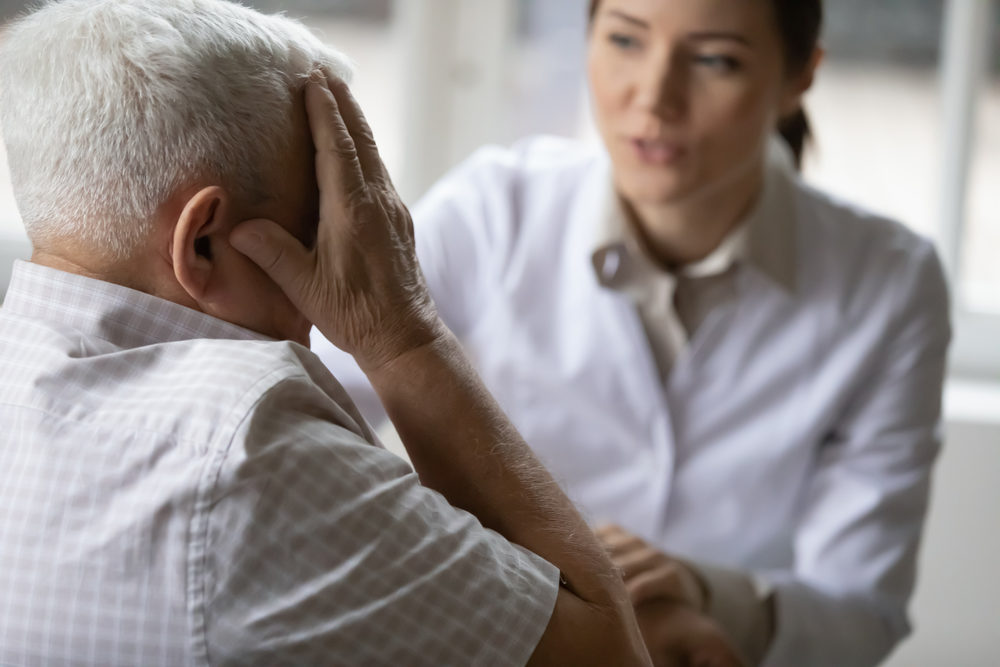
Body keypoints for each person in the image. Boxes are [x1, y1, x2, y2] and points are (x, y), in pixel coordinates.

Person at [0, 1, 749, 665]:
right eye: (316, 232)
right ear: (201, 242)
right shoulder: (245, 449)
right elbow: (607, 652)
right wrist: (404, 333)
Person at [316, 0, 952, 665]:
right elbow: (301, 422)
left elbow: (859, 609)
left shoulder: (891, 284)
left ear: (800, 77)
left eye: (714, 59)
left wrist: (708, 596)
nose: (653, 97)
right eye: (624, 39)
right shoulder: (491, 215)